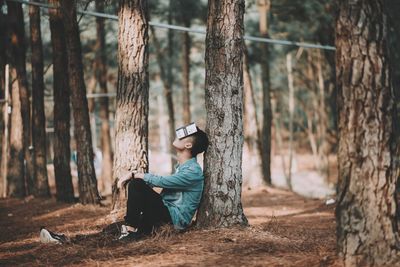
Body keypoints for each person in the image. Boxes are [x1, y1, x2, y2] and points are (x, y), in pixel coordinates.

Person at [117, 123, 209, 241]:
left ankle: (130, 231)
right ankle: (133, 229)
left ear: (188, 145)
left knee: (137, 184)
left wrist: (135, 174)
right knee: (111, 229)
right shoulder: (184, 168)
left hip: (174, 219)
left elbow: (163, 181)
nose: (178, 136)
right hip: (166, 211)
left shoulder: (193, 171)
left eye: (182, 136)